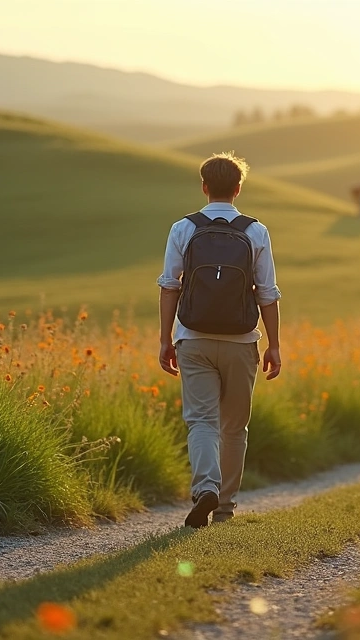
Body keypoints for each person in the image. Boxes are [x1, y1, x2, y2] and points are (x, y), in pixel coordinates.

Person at [157, 152, 282, 529]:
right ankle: (225, 508)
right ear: (238, 188)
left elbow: (169, 287)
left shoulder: (184, 228)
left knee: (201, 421)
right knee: (234, 427)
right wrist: (273, 344)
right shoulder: (255, 231)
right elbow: (267, 293)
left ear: (204, 187)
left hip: (192, 339)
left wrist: (166, 339)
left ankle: (205, 487)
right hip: (241, 341)